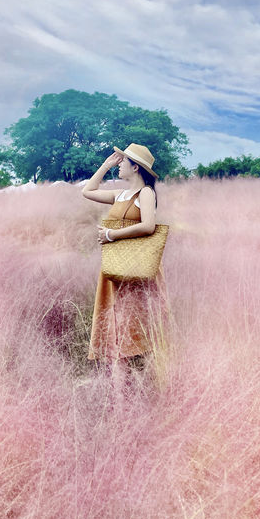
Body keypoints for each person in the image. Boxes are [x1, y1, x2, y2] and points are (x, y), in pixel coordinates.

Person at [82, 144, 166, 372]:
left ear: (136, 168)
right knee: (115, 312)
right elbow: (87, 191)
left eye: (123, 161)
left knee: (134, 313)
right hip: (117, 263)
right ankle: (120, 367)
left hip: (135, 264)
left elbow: (148, 226)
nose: (119, 165)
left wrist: (112, 234)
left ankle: (141, 369)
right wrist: (105, 165)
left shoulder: (145, 193)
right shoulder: (120, 194)